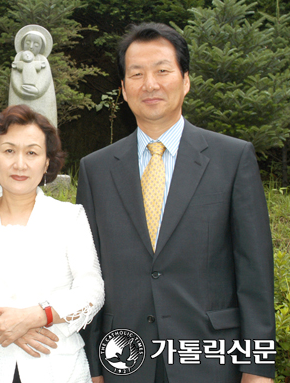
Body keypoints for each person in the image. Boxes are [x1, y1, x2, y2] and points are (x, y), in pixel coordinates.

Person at [77, 23, 275, 383]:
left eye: (162, 71)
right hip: (124, 360)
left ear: (185, 80)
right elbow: (88, 274)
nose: (149, 84)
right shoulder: (96, 169)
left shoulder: (232, 158)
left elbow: (255, 275)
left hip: (211, 361)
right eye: (136, 74)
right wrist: (93, 369)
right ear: (123, 89)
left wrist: (258, 370)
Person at [0, 104, 104, 382]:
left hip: (57, 366)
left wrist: (39, 316)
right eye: (8, 150)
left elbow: (91, 289)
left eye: (32, 152)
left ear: (47, 162)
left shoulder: (69, 217)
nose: (20, 164)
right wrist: (1, 323)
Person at [9, 25, 57, 127]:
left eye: (36, 44)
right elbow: (15, 79)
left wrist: (38, 90)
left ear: (41, 47)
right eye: (28, 42)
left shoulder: (43, 60)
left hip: (41, 98)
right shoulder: (18, 58)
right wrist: (20, 90)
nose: (31, 46)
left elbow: (46, 79)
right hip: (20, 95)